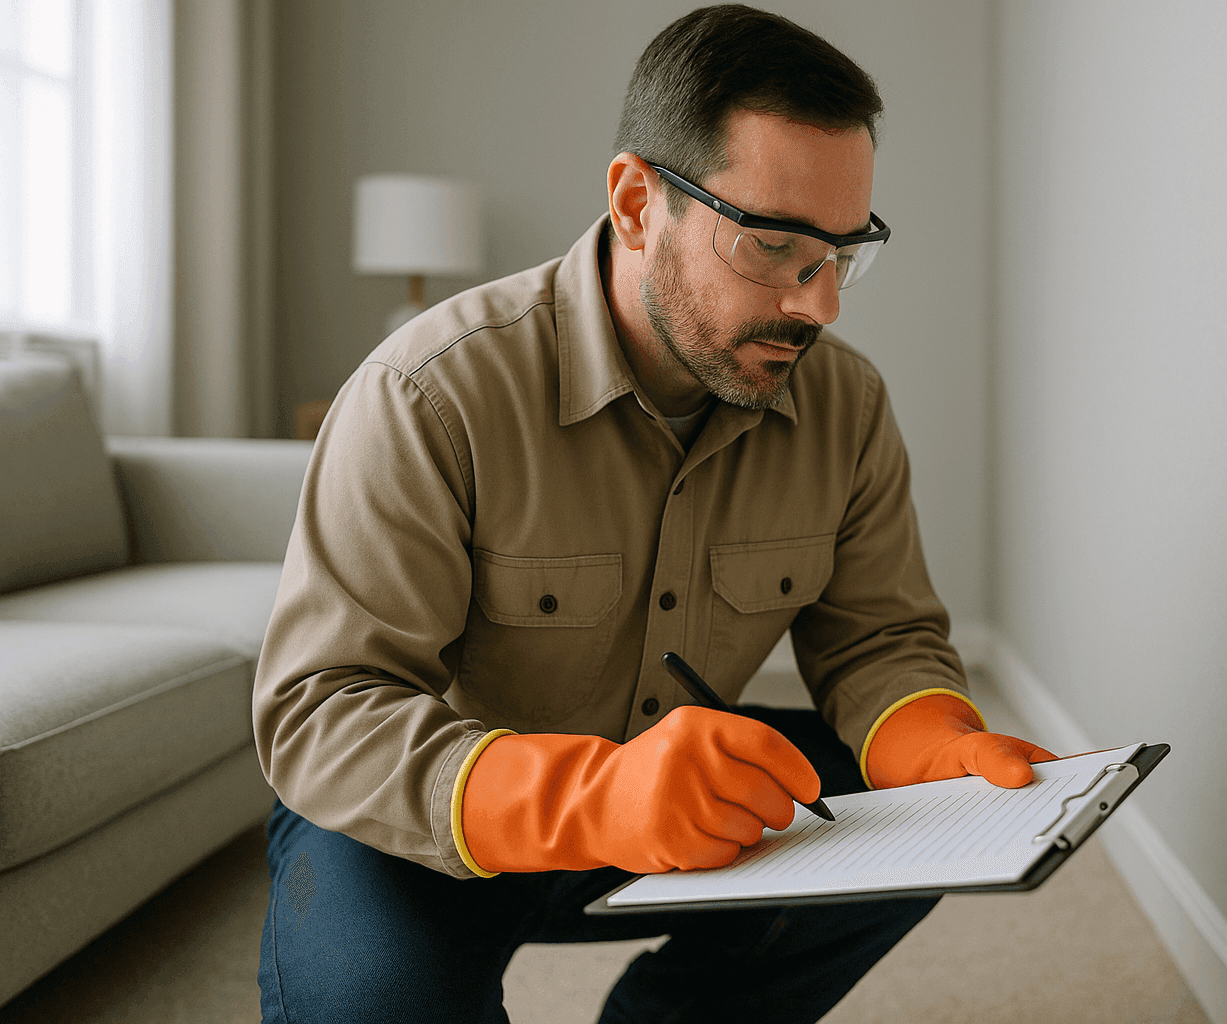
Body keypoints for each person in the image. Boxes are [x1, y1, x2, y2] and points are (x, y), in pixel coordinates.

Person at [253, 6, 1053, 1022]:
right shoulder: (430, 392)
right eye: (774, 245)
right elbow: (323, 708)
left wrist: (935, 746)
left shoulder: (843, 404)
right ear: (637, 203)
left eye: (842, 254)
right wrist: (594, 796)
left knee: (916, 825)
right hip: (429, 822)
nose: (820, 305)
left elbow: (878, 638)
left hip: (677, 804)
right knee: (373, 1006)